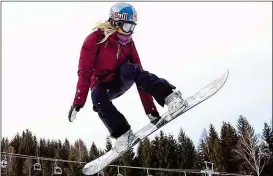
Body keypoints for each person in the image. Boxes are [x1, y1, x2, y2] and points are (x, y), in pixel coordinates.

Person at [68, 2, 188, 153]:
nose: (129, 32)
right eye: (126, 27)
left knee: (130, 68)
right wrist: (78, 102)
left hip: (122, 79)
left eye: (132, 27)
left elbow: (141, 76)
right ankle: (123, 133)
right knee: (97, 96)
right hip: (103, 85)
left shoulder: (129, 43)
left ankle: (170, 97)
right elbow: (84, 72)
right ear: (114, 22)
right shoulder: (94, 40)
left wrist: (150, 110)